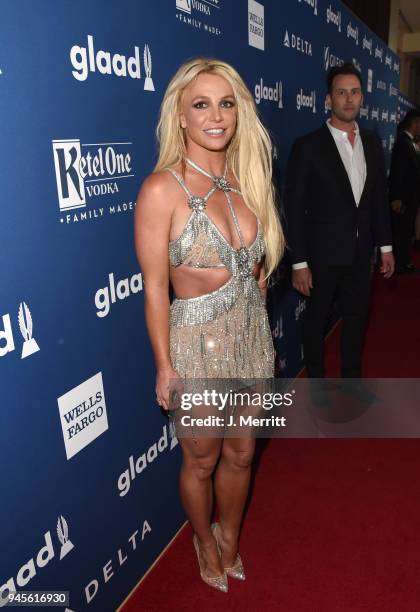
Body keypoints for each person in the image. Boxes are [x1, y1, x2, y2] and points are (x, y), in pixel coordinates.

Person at [134, 58, 284, 592]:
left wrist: (256, 319)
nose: (216, 116)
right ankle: (202, 539)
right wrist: (164, 365)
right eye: (201, 104)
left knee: (242, 453)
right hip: (196, 345)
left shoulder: (250, 181)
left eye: (226, 103)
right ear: (180, 114)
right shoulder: (161, 190)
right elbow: (155, 287)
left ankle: (230, 537)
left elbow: (260, 272)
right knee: (201, 460)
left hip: (252, 342)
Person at [284, 63, 394, 394]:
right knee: (316, 323)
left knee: (357, 320)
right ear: (328, 99)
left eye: (355, 92)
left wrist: (386, 246)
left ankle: (350, 384)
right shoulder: (307, 147)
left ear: (362, 97)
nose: (349, 99)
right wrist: (299, 262)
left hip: (362, 255)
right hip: (321, 257)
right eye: (342, 92)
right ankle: (316, 388)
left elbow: (376, 198)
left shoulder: (372, 142)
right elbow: (293, 209)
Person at [389, 109, 420, 272]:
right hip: (404, 198)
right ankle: (401, 264)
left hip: (410, 198)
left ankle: (404, 261)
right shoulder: (403, 143)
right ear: (415, 124)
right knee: (401, 232)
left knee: (406, 231)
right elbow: (398, 172)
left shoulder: (410, 143)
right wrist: (396, 197)